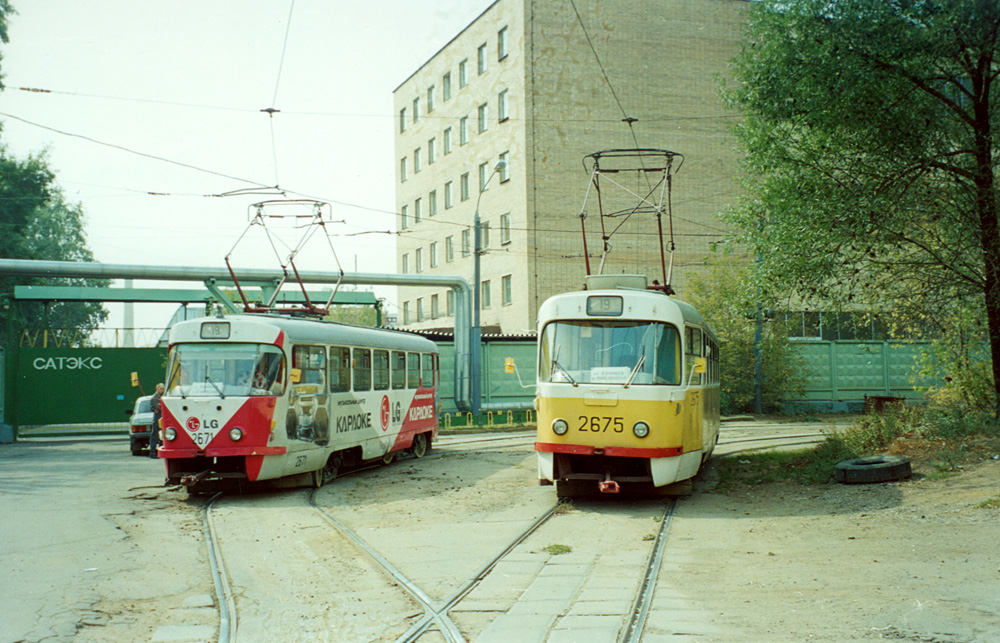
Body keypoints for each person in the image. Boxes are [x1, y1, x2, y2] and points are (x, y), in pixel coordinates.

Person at [148, 383, 165, 459]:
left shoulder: (164, 396)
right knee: (155, 435)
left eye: (163, 389)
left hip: (163, 417)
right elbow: (159, 408)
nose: (162, 390)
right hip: (158, 418)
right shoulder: (154, 398)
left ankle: (161, 452)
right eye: (161, 388)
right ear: (157, 389)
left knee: (163, 436)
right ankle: (152, 453)